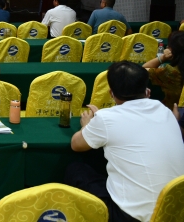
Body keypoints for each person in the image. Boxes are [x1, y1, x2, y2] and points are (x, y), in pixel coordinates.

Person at [66, 61, 184, 222]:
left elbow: (76, 145)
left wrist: (87, 125)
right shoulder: (165, 111)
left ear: (111, 93)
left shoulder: (106, 118)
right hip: (176, 212)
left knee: (75, 169)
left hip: (132, 216)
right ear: (147, 91)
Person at [143, 31, 183, 108]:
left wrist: (163, 57)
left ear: (172, 50)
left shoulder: (170, 71)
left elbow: (144, 68)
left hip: (172, 110)